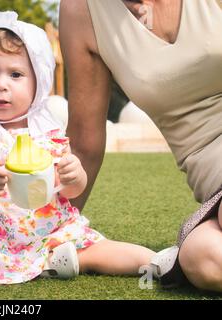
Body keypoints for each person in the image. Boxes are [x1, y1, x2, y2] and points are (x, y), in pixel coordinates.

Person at [0, 11, 154, 285]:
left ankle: (159, 261)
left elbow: (69, 191)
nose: (1, 85)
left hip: (49, 230)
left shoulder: (50, 135)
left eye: (16, 74)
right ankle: (49, 262)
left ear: (38, 82)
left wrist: (74, 175)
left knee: (97, 249)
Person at [59, 0, 222, 291]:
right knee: (203, 259)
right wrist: (44, 231)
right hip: (213, 182)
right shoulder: (81, 10)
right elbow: (84, 145)